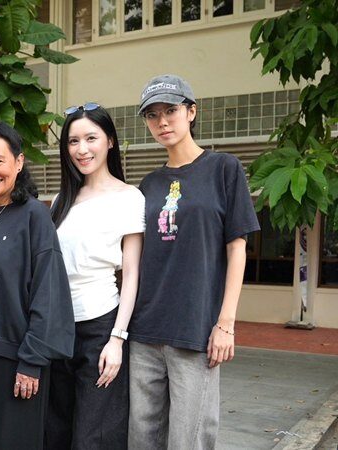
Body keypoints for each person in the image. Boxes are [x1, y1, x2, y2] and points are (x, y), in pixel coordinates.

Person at [128, 74, 260, 449]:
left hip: (195, 330)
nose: (162, 122)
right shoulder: (148, 185)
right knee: (141, 438)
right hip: (145, 330)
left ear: (191, 112)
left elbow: (237, 248)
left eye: (170, 111)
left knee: (190, 439)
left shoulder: (224, 169)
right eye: (152, 115)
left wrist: (225, 325)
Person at [0, 121, 75, 449]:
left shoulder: (35, 216)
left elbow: (48, 292)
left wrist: (32, 361)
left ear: (19, 162)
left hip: (15, 359)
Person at [44, 103, 144, 449]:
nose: (81, 149)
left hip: (100, 327)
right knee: (55, 432)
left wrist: (117, 339)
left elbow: (131, 274)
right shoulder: (61, 200)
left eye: (91, 138)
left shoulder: (130, 198)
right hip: (57, 329)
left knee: (93, 437)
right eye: (73, 141)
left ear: (110, 141)